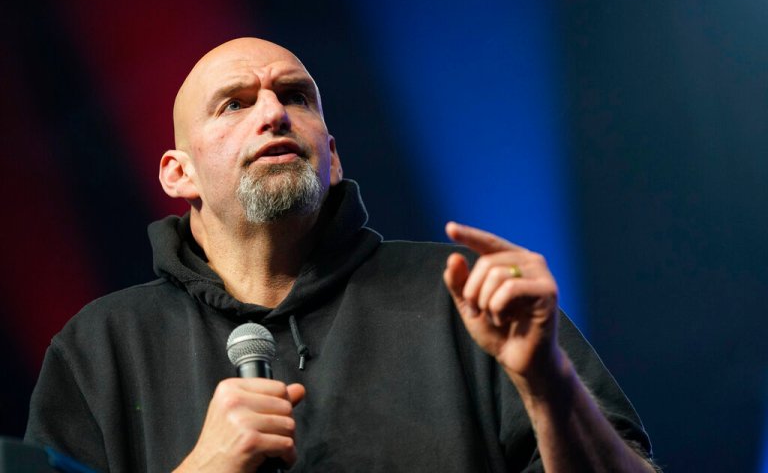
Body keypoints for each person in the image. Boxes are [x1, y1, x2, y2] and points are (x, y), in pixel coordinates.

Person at [26, 38, 657, 472]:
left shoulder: (466, 299)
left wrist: (549, 385)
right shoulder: (99, 348)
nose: (273, 113)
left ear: (332, 157)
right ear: (177, 173)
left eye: (295, 97)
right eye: (235, 103)